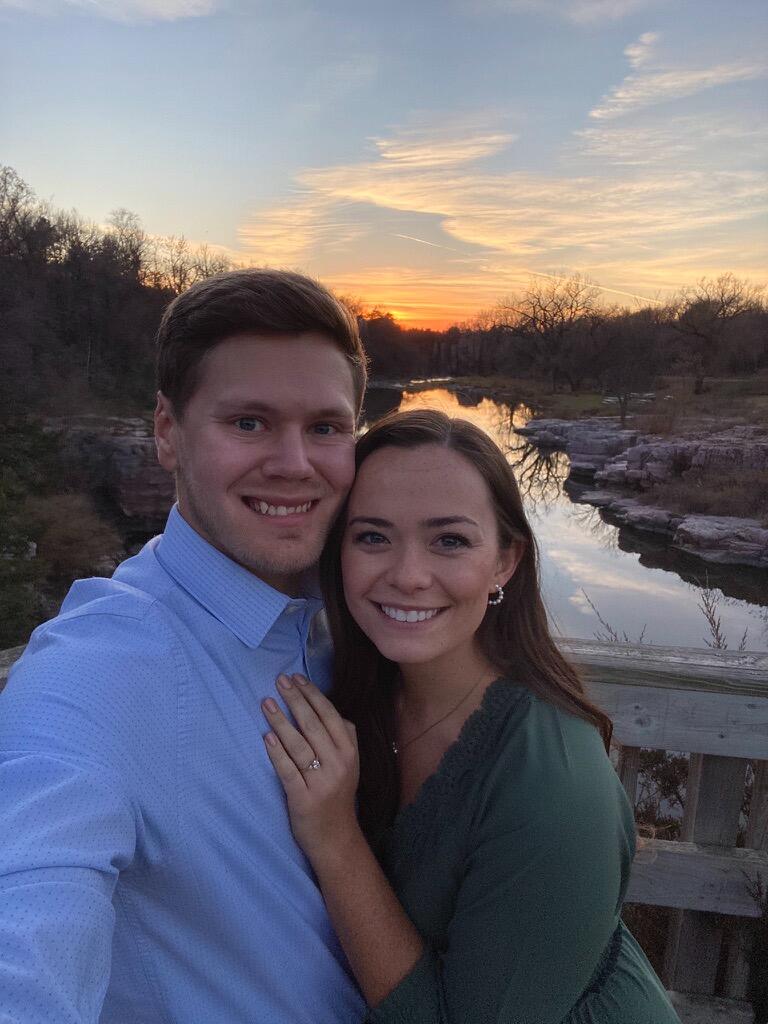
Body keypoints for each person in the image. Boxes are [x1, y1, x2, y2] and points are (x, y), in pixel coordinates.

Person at [0, 269, 369, 1023]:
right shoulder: (101, 667)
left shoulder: (354, 623)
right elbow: (28, 920)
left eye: (325, 427)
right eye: (249, 423)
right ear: (167, 433)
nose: (295, 462)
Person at [262, 409, 682, 1024]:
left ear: (505, 561)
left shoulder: (551, 786)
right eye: (372, 536)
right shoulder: (360, 692)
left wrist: (335, 839)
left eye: (450, 540)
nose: (407, 576)